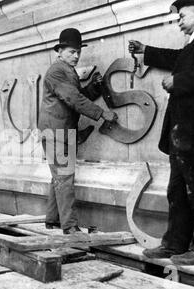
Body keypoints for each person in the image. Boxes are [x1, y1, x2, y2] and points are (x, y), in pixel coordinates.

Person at [128, 0, 194, 265]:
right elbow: (177, 59)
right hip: (184, 131)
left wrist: (178, 81)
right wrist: (147, 51)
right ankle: (175, 243)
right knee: (178, 189)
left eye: (181, 15)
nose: (178, 20)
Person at [38, 28, 118, 235]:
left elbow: (77, 94)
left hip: (60, 131)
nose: (76, 56)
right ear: (60, 50)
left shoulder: (67, 71)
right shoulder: (57, 70)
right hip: (56, 132)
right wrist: (101, 113)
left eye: (78, 52)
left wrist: (93, 87)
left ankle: (53, 219)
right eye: (72, 52)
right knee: (64, 177)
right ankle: (70, 226)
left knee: (59, 176)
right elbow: (72, 99)